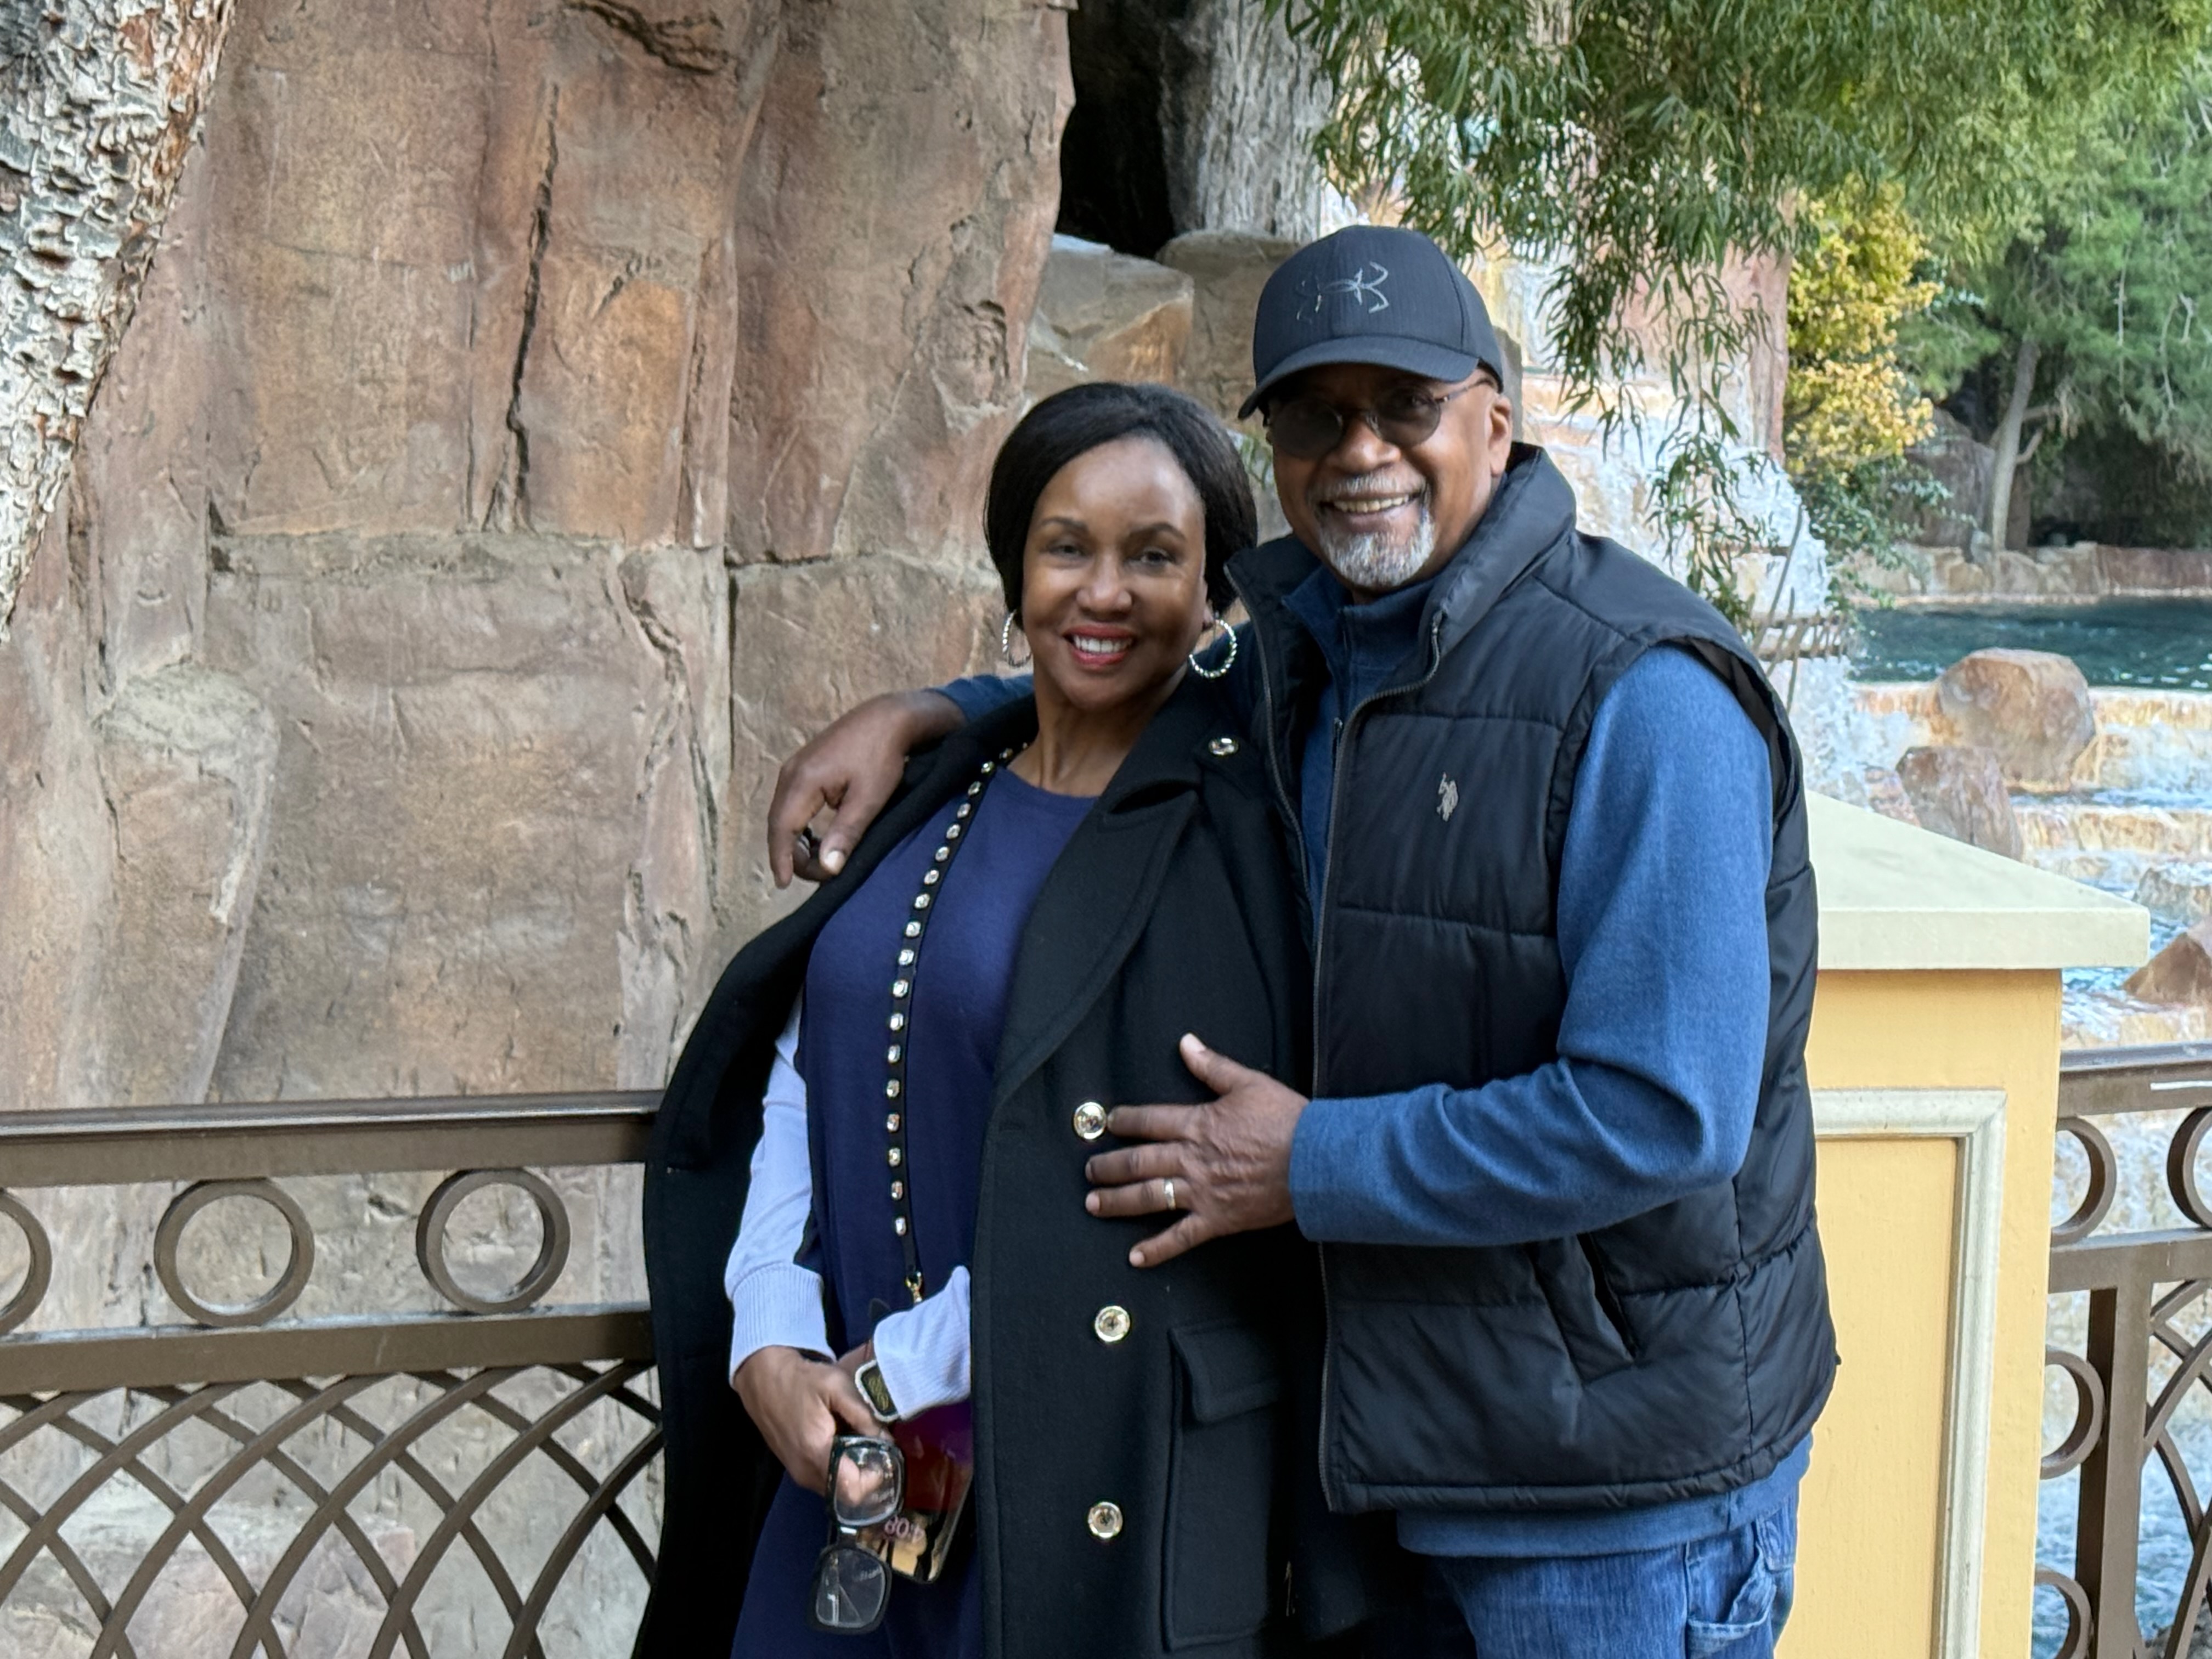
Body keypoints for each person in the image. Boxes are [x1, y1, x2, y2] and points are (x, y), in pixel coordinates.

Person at [760, 224, 1838, 1658]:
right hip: (1368, 1490)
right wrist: (942, 713)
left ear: (1497, 422)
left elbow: (1664, 1110)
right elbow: (1123, 657)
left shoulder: (1641, 695)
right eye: (1318, 415)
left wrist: (1305, 1163)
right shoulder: (1302, 638)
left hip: (1606, 1508)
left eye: (1406, 406)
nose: (1361, 450)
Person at [634, 381, 1372, 1659]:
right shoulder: (943, 783)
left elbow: (1131, 1184)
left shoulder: (1224, 841)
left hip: (1056, 1454)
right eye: (1066, 546)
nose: (1104, 592)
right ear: (1013, 567)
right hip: (862, 1462)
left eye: (1155, 557)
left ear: (1214, 596)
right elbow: (809, 1070)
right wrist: (767, 1336)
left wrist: (881, 1376)